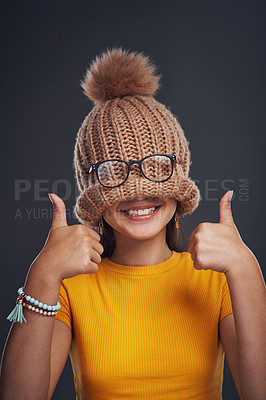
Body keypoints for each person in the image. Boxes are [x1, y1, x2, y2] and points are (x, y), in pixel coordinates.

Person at [0, 47, 265, 400]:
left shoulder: (216, 282)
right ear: (90, 188)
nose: (137, 193)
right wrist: (42, 275)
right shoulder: (68, 288)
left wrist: (246, 268)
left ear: (179, 175)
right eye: (112, 171)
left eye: (156, 166)